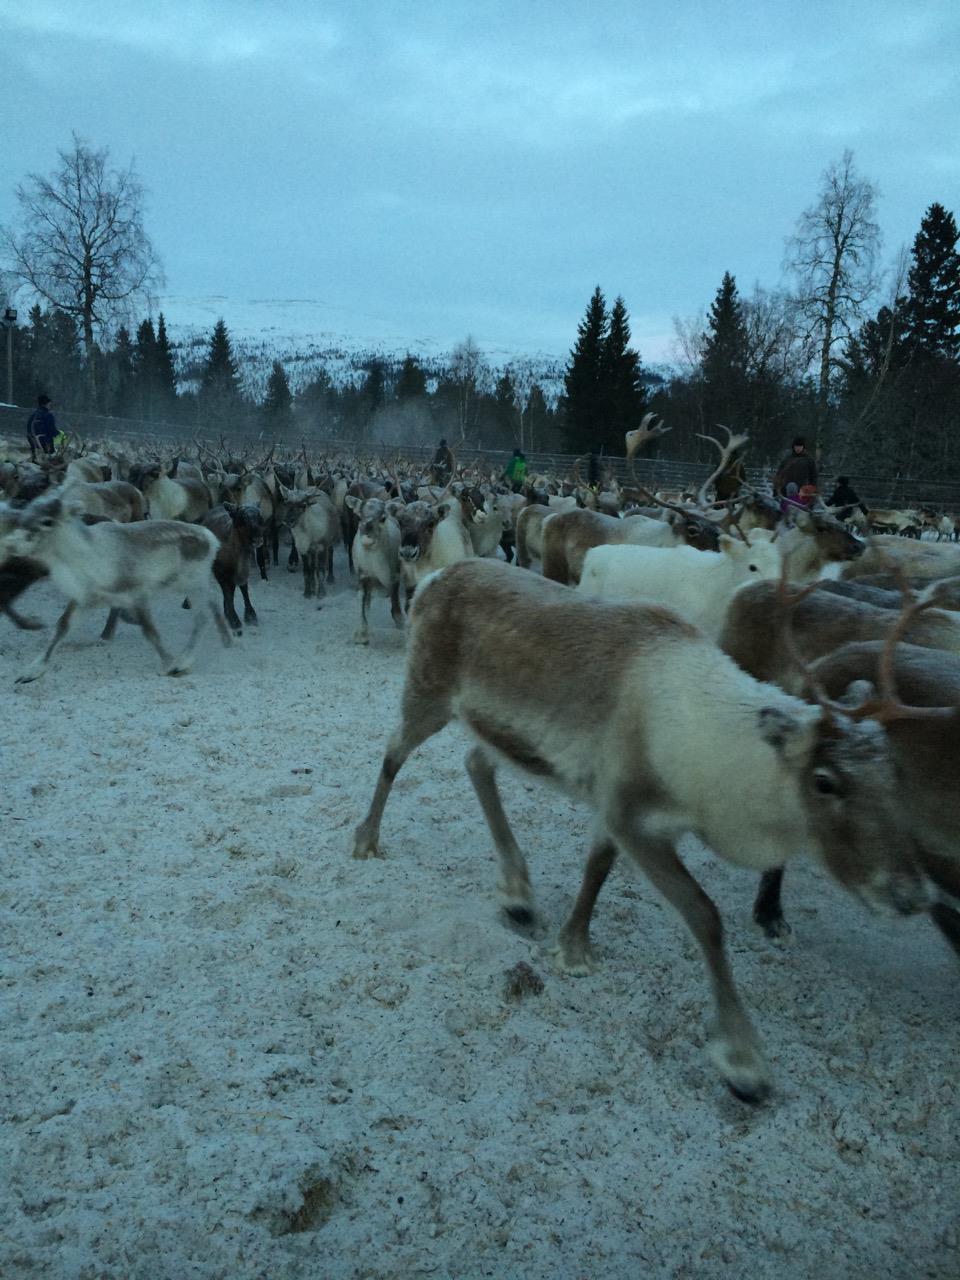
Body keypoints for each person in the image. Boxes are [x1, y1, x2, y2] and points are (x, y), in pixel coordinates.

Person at [26, 394, 57, 460]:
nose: (50, 406)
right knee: (49, 460)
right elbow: (52, 430)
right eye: (49, 404)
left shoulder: (34, 415)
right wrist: (58, 434)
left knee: (36, 460)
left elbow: (29, 430)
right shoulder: (48, 415)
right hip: (46, 444)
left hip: (34, 443)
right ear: (45, 404)